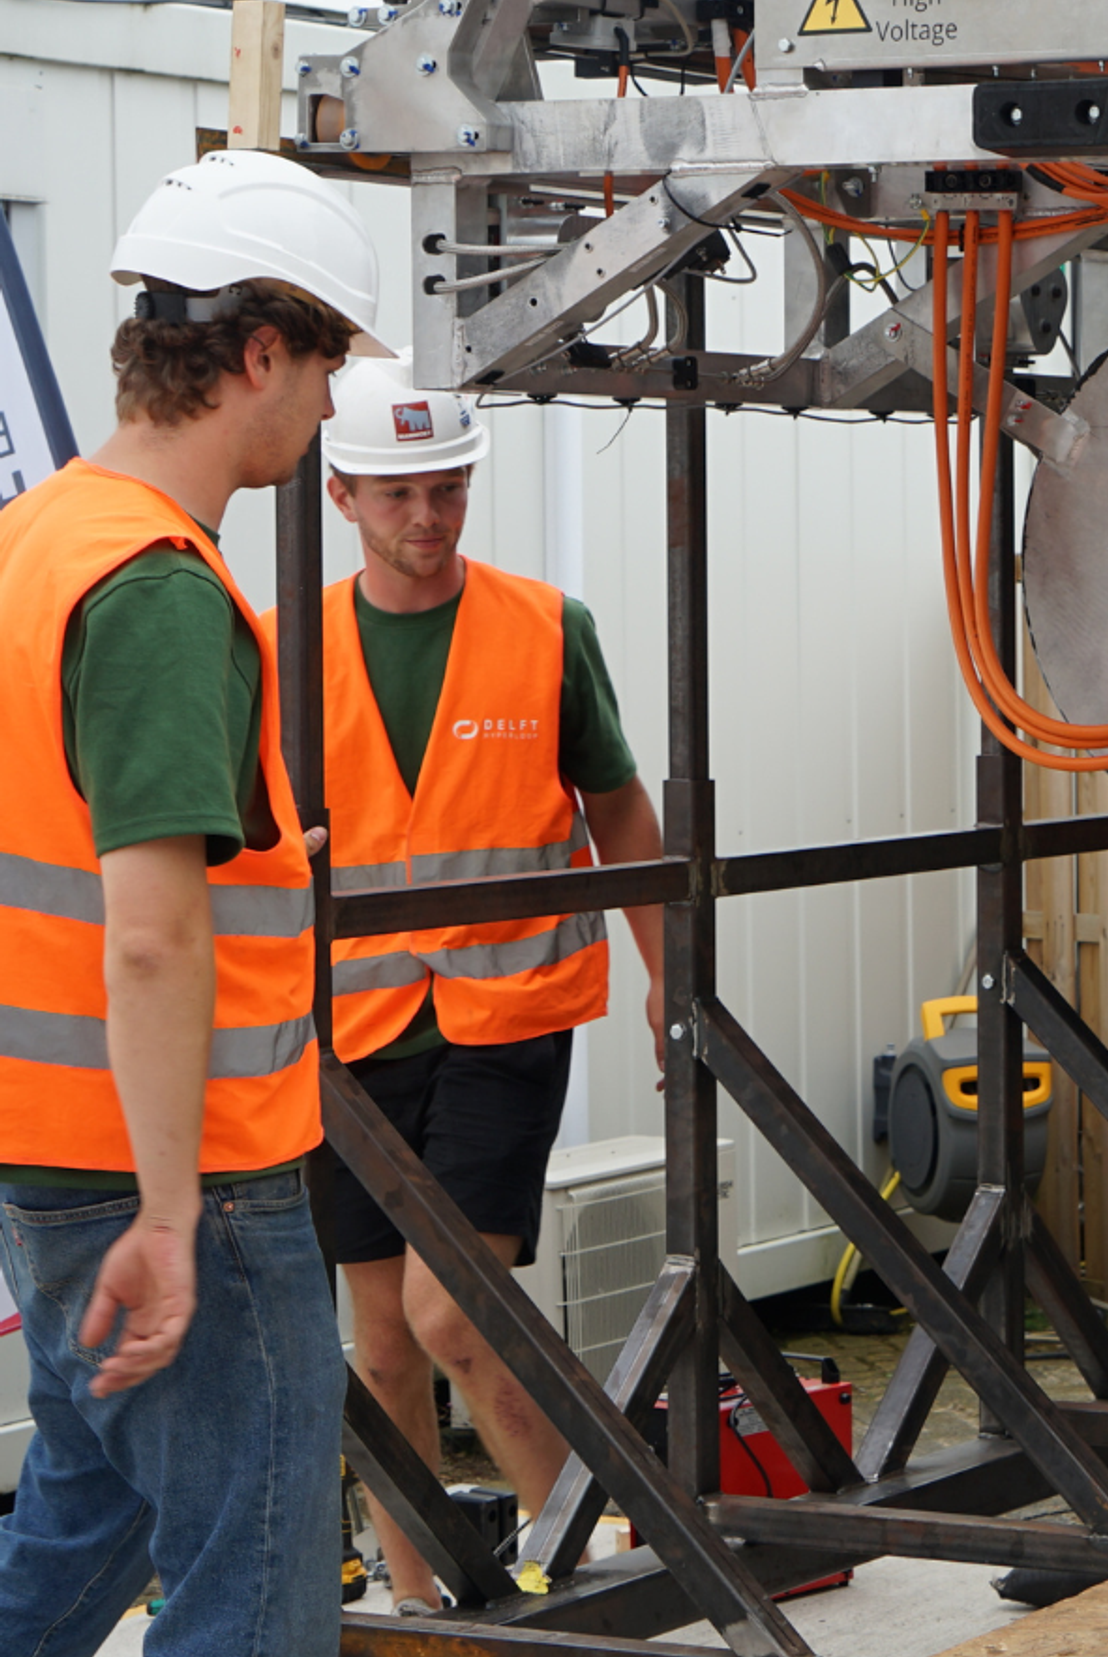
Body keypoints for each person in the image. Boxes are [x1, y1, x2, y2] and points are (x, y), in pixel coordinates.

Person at [0, 152, 392, 1655]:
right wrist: (172, 1213)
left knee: (85, 1516)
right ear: (259, 352)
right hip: (182, 1183)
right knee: (257, 1576)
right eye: (328, 366)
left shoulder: (42, 536)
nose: (325, 409)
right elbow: (155, 930)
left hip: (54, 1161)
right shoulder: (156, 585)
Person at [293, 354, 668, 1615]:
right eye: (399, 492)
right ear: (341, 492)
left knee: (456, 1316)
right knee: (384, 1341)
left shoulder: (546, 627)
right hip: (346, 1030)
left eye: (447, 487)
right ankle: (418, 1605)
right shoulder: (285, 648)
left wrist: (672, 978)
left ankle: (585, 1573)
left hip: (506, 1015)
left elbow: (617, 804)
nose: (428, 516)